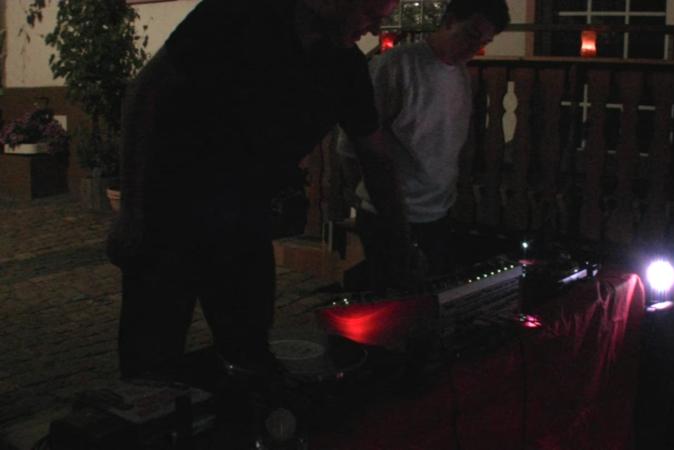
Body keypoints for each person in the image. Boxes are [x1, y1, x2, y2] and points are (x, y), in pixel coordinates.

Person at [107, 0, 412, 386]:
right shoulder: (239, 14)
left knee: (250, 351)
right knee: (151, 357)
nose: (375, 29)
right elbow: (144, 94)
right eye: (370, 14)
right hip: (169, 211)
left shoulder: (344, 67)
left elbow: (375, 157)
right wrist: (132, 211)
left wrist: (401, 241)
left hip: (244, 220)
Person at [338, 0, 510, 292]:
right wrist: (369, 197)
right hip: (390, 214)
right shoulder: (397, 66)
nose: (474, 48)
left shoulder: (459, 75)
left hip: (438, 211)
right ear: (449, 21)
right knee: (392, 300)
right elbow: (351, 144)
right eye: (470, 35)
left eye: (483, 42)